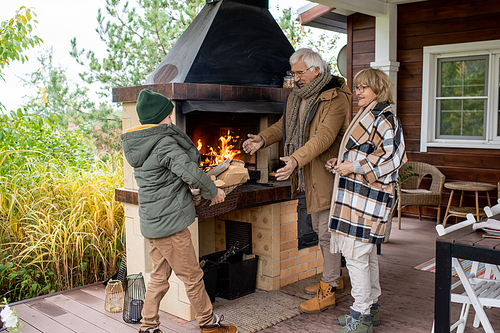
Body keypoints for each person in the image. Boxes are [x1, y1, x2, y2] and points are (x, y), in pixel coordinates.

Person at [242, 48, 351, 313]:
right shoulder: (297, 97)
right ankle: (336, 278)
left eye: (300, 72)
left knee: (327, 233)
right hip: (308, 172)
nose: (296, 78)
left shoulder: (335, 98)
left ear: (316, 70)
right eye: (293, 73)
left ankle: (328, 290)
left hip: (326, 172)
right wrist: (263, 138)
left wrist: (294, 159)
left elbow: (324, 137)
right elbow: (285, 126)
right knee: (319, 228)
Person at [121, 89, 237, 333]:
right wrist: (213, 191)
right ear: (159, 118)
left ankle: (148, 327)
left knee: (159, 278)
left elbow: (169, 177)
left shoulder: (142, 143)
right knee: (193, 277)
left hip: (154, 222)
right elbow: (191, 172)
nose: (172, 121)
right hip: (170, 225)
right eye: (169, 117)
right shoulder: (163, 143)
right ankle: (209, 324)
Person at [327, 68, 407, 333]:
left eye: (363, 87)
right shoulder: (370, 114)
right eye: (356, 87)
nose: (357, 92)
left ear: (378, 88)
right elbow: (364, 154)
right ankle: (370, 310)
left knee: (356, 257)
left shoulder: (385, 118)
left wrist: (354, 167)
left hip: (368, 199)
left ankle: (360, 317)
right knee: (366, 254)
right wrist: (342, 164)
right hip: (359, 196)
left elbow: (393, 159)